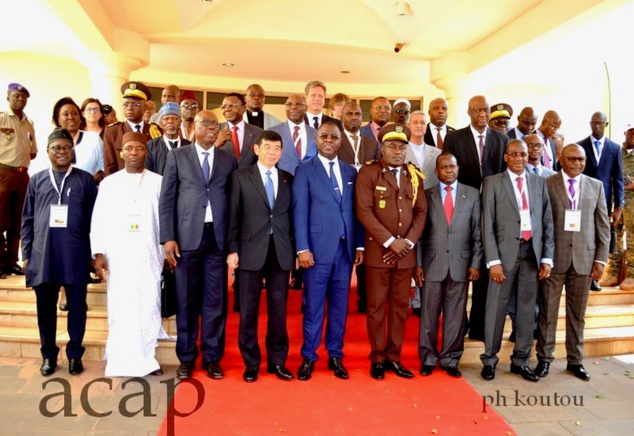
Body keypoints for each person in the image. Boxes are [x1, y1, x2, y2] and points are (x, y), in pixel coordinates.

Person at [159, 109, 237, 380]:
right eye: (207, 123)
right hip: (186, 240)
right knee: (186, 302)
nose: (212, 128)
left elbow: (234, 202)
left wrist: (233, 243)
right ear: (193, 127)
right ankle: (187, 358)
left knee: (215, 304)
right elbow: (166, 199)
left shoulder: (228, 160)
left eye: (216, 124)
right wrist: (168, 238)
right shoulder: (178, 156)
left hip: (217, 240)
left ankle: (213, 358)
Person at [92, 132, 168, 377]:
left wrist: (166, 251)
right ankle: (120, 358)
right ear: (121, 152)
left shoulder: (158, 181)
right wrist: (98, 252)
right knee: (121, 305)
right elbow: (99, 219)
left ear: (146, 152)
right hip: (119, 254)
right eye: (129, 149)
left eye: (139, 148)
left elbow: (164, 219)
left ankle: (147, 358)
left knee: (148, 303)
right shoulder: (109, 183)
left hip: (149, 253)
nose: (134, 153)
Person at [21, 128, 97, 376]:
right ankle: (48, 356)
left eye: (66, 147)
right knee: (45, 309)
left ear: (72, 151)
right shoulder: (37, 180)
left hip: (75, 254)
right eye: (56, 147)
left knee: (77, 307)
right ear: (48, 152)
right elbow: (28, 219)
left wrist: (94, 254)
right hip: (43, 256)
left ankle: (75, 354)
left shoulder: (85, 180)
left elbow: (95, 221)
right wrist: (27, 254)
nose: (62, 151)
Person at [356, 123, 427, 380]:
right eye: (392, 146)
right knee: (375, 306)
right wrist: (389, 242)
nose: (397, 151)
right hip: (379, 253)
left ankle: (394, 357)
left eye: (401, 146)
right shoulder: (369, 173)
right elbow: (364, 211)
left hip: (405, 254)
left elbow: (421, 212)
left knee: (399, 307)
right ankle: (377, 357)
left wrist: (406, 243)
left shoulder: (414, 176)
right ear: (382, 147)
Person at [293, 121, 363, 381]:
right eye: (324, 136)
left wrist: (358, 243)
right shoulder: (305, 171)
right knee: (313, 308)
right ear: (316, 139)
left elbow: (354, 211)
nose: (329, 140)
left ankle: (336, 355)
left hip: (344, 252)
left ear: (341, 140)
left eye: (334, 136)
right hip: (316, 253)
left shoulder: (350, 172)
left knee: (339, 307)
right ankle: (309, 356)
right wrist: (302, 248)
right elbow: (299, 211)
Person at [479, 139, 554, 382]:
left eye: (524, 154)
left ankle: (520, 360)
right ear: (506, 157)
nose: (520, 158)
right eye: (515, 154)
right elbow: (486, 225)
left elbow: (547, 223)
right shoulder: (492, 183)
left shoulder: (539, 182)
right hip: (503, 256)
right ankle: (490, 359)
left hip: (531, 255)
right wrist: (493, 261)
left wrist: (546, 258)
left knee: (525, 311)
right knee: (496, 309)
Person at [534, 144, 610, 381]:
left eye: (581, 159)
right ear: (560, 159)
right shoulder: (547, 183)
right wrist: (543, 257)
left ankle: (575, 361)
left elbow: (603, 226)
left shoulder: (596, 186)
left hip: (585, 260)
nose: (577, 163)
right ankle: (544, 359)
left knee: (578, 314)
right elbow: (541, 223)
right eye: (572, 159)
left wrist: (600, 259)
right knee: (547, 312)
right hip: (554, 260)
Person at [227, 130, 295, 383]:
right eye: (267, 147)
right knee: (248, 310)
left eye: (277, 148)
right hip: (249, 252)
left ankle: (278, 361)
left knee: (278, 310)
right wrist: (232, 250)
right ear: (256, 149)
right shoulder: (241, 177)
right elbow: (233, 216)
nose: (272, 152)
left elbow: (291, 217)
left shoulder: (288, 179)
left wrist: (296, 249)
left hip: (280, 253)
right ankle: (251, 362)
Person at [443, 95, 508, 341]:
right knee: (462, 270)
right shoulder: (455, 138)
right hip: (463, 211)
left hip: (493, 213)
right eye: (478, 110)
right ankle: (459, 325)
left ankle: (480, 327)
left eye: (486, 110)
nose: (483, 114)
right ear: (469, 112)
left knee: (486, 269)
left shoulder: (502, 139)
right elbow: (449, 173)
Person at [418, 153, 482, 378]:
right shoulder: (426, 195)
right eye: (444, 167)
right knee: (428, 314)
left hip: (461, 265)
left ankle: (450, 359)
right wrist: (418, 264)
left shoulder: (472, 195)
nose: (448, 171)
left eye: (452, 167)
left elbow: (477, 232)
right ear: (437, 171)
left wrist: (475, 263)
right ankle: (427, 358)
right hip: (431, 264)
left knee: (455, 316)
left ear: (458, 168)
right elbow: (420, 234)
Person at [337, 101, 380, 314]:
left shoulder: (372, 144)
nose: (353, 117)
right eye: (349, 114)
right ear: (341, 116)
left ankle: (364, 300)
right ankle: (337, 300)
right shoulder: (335, 140)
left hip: (367, 205)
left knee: (365, 251)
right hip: (340, 206)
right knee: (342, 255)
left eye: (357, 114)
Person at [577, 111, 624, 291]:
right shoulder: (581, 146)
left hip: (604, 201)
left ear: (606, 124)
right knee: (585, 237)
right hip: (583, 200)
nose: (596, 126)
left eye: (600, 123)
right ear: (590, 124)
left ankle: (595, 277)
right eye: (594, 123)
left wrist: (619, 205)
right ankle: (583, 276)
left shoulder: (614, 148)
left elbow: (618, 179)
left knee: (600, 238)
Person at [0, 83, 37, 279]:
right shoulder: (1, 118)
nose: (20, 99)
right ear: (8, 97)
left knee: (17, 222)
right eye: (16, 96)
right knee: (0, 220)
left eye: (24, 97)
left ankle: (11, 262)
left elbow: (33, 152)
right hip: (3, 173)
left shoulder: (29, 124)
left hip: (23, 175)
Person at [103, 81, 162, 176]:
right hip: (123, 185)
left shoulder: (156, 131)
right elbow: (110, 166)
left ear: (145, 107)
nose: (129, 108)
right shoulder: (113, 131)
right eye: (126, 104)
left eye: (135, 105)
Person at [602, 124, 634, 289]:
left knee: (632, 239)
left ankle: (632, 275)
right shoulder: (615, 152)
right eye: (632, 131)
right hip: (615, 203)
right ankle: (612, 273)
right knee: (613, 237)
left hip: (633, 204)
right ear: (625, 132)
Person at [51, 97, 105, 184]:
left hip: (88, 193)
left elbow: (104, 168)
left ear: (80, 118)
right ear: (58, 120)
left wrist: (89, 182)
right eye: (65, 114)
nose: (71, 117)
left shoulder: (93, 138)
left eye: (75, 113)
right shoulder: (51, 142)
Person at [272, 94, 318, 176]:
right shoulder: (273, 132)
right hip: (283, 183)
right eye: (289, 104)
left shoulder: (316, 133)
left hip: (309, 182)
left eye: (299, 104)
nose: (293, 107)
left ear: (306, 108)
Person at [215, 92, 262, 169]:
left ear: (243, 108)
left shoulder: (258, 133)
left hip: (247, 179)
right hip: (222, 180)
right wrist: (216, 145)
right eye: (223, 107)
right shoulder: (215, 131)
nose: (227, 109)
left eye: (232, 105)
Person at [145, 102, 191, 175]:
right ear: (160, 124)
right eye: (166, 119)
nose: (170, 121)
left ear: (180, 123)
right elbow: (147, 173)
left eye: (175, 118)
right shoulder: (151, 146)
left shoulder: (190, 146)